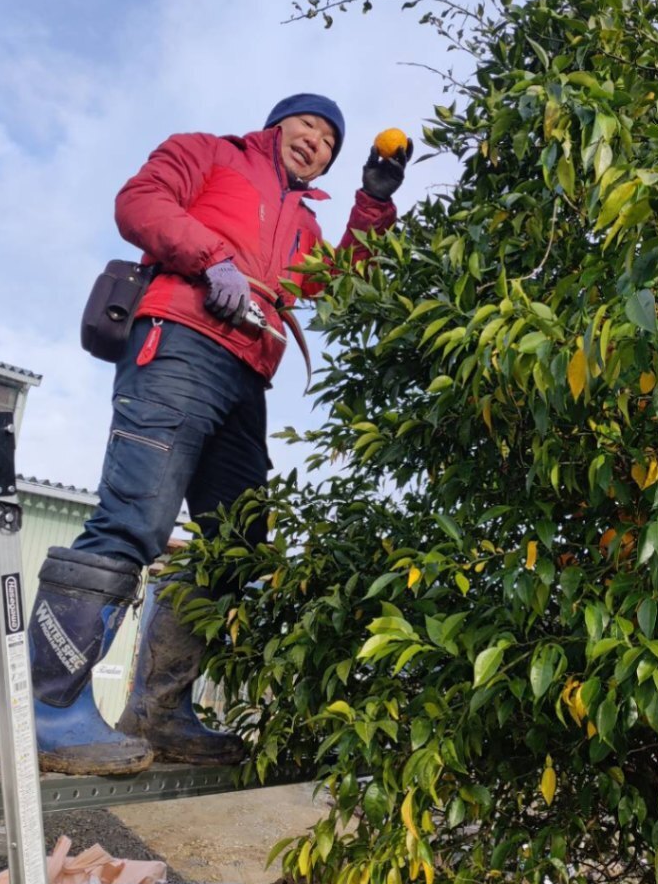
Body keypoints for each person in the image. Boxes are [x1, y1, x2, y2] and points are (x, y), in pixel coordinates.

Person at [27, 93, 410, 775]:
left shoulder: (305, 224)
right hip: (179, 342)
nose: (316, 140)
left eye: (330, 139)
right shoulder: (210, 152)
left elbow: (343, 281)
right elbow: (138, 202)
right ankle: (51, 711)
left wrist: (373, 204)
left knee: (237, 546)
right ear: (276, 125)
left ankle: (159, 710)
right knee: (134, 522)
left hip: (246, 377)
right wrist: (212, 258)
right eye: (308, 125)